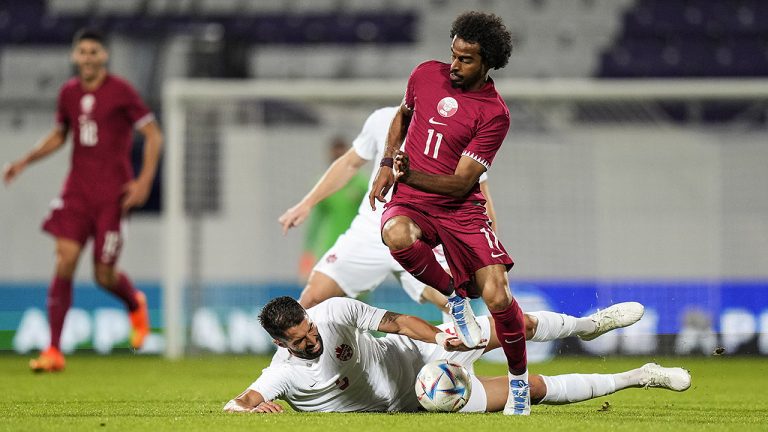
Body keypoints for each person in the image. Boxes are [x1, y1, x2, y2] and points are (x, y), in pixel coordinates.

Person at [278, 106, 644, 339]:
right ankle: (288, 375)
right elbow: (348, 164)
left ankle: (584, 327)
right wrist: (306, 203)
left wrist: (489, 252)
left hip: (425, 237)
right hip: (370, 233)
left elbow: (482, 197)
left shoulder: (459, 135)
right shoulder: (383, 120)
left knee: (473, 306)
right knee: (307, 303)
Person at [368, 12, 529, 414]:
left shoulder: (494, 113)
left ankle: (520, 383)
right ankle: (457, 303)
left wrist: (408, 172)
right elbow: (402, 116)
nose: (454, 65)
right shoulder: (424, 74)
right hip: (412, 201)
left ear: (487, 61)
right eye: (453, 55)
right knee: (396, 235)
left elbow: (460, 184)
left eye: (466, 59)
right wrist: (388, 163)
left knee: (497, 293)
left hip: (460, 209)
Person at [2, 28, 163, 372]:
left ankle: (134, 302)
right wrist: (23, 161)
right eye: (82, 52)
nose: (87, 57)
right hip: (76, 192)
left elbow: (153, 133)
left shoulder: (121, 91)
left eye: (94, 52)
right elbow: (60, 134)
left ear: (104, 56)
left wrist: (144, 181)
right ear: (75, 56)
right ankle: (54, 351)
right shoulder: (68, 93)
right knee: (64, 260)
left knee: (103, 275)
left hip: (112, 197)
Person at [222, 297, 691, 414]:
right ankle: (642, 375)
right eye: (301, 341)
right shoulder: (282, 373)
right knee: (534, 390)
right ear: (282, 344)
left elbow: (400, 323)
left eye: (310, 329)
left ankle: (592, 325)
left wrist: (442, 339)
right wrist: (250, 407)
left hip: (418, 352)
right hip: (424, 398)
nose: (312, 340)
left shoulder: (334, 312)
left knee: (513, 327)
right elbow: (240, 401)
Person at [298, 136, 368, 280]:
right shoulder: (322, 185)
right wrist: (308, 252)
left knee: (357, 295)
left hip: (357, 247)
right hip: (330, 247)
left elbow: (372, 217)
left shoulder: (362, 184)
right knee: (328, 295)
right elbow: (315, 222)